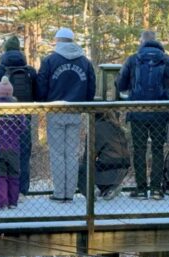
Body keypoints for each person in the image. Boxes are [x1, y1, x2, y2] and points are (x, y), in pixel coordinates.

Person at [116, 30, 169, 200]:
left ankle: (140, 189)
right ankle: (156, 189)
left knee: (139, 150)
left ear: (142, 42)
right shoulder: (167, 60)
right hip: (160, 113)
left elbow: (121, 85)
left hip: (138, 112)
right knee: (157, 150)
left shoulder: (133, 59)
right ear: (157, 42)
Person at [37, 27, 96, 203]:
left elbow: (41, 84)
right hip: (76, 111)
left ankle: (59, 192)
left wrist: (43, 101)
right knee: (71, 153)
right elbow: (91, 86)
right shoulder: (84, 61)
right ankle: (70, 193)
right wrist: (84, 102)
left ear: (58, 40)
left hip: (55, 111)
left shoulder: (50, 60)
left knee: (57, 153)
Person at [0, 36, 37, 195]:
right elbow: (38, 94)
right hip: (23, 118)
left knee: (0, 158)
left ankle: (2, 193)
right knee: (23, 155)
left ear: (5, 50)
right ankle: (21, 191)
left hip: (0, 121)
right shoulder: (30, 71)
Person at [77, 111, 130, 200]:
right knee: (102, 162)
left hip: (108, 170)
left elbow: (88, 157)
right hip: (123, 170)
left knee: (78, 168)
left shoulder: (95, 128)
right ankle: (108, 189)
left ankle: (90, 193)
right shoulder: (118, 127)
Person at [0, 77, 25, 210]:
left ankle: (1, 202)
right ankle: (13, 202)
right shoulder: (16, 108)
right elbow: (22, 126)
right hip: (13, 147)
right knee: (14, 175)